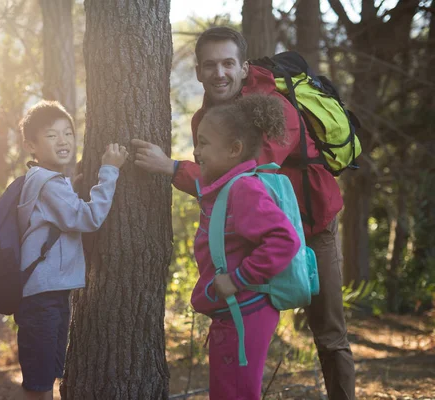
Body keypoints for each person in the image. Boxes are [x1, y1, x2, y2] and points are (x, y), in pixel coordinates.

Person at [132, 26, 355, 400]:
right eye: (210, 65)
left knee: (329, 333)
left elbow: (240, 175)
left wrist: (171, 169)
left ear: (243, 66)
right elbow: (217, 177)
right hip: (256, 236)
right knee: (247, 319)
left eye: (227, 63)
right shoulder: (208, 116)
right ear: (199, 72)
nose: (219, 73)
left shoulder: (273, 110)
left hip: (311, 225)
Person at [15, 100, 128, 400]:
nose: (63, 140)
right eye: (51, 135)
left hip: (49, 293)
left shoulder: (49, 181)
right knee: (38, 382)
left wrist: (72, 188)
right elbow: (88, 218)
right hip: (42, 298)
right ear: (31, 145)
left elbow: (61, 213)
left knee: (45, 374)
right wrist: (109, 171)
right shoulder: (48, 183)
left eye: (67, 133)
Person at [191, 94, 300, 399]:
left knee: (237, 393)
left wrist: (238, 279)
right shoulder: (229, 187)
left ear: (234, 149)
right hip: (234, 313)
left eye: (204, 142)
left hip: (245, 311)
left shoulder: (243, 188)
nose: (197, 151)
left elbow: (284, 240)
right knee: (228, 391)